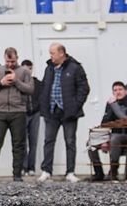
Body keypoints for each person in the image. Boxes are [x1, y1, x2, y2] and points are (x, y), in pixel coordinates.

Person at [37, 43, 90, 183]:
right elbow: (43, 87)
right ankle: (46, 171)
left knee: (70, 141)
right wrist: (43, 105)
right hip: (52, 111)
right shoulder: (49, 68)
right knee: (48, 141)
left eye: (52, 53)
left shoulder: (75, 67)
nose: (51, 56)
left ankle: (70, 172)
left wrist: (76, 105)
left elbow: (84, 88)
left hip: (69, 112)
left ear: (61, 53)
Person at [0, 48, 34, 182]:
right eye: (7, 61)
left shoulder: (24, 71)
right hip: (0, 112)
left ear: (17, 58)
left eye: (13, 61)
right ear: (4, 58)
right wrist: (1, 83)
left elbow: (30, 89)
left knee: (18, 145)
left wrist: (16, 81)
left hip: (18, 112)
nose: (10, 64)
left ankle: (17, 174)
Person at [87, 81, 127, 181]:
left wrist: (114, 105)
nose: (118, 92)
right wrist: (103, 139)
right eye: (115, 90)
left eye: (120, 89)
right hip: (112, 135)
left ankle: (113, 171)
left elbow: (125, 119)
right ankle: (98, 172)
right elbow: (105, 122)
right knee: (91, 142)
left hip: (126, 135)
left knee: (114, 139)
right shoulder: (111, 104)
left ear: (126, 91)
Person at [21, 59, 42, 176]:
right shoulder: (18, 83)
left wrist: (38, 108)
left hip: (35, 114)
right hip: (23, 114)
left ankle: (31, 167)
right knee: (23, 142)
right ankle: (23, 167)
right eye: (25, 69)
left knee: (33, 142)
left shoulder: (38, 83)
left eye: (29, 68)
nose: (28, 71)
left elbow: (42, 97)